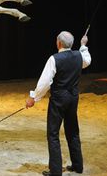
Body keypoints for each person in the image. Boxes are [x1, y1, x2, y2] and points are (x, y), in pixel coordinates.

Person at [25, 31, 91, 176]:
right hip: (73, 98)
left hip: (59, 99)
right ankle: (77, 165)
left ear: (59, 43)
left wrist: (33, 98)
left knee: (53, 134)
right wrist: (83, 46)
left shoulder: (54, 59)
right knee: (73, 131)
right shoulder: (78, 56)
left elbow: (44, 83)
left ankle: (55, 171)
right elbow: (87, 61)